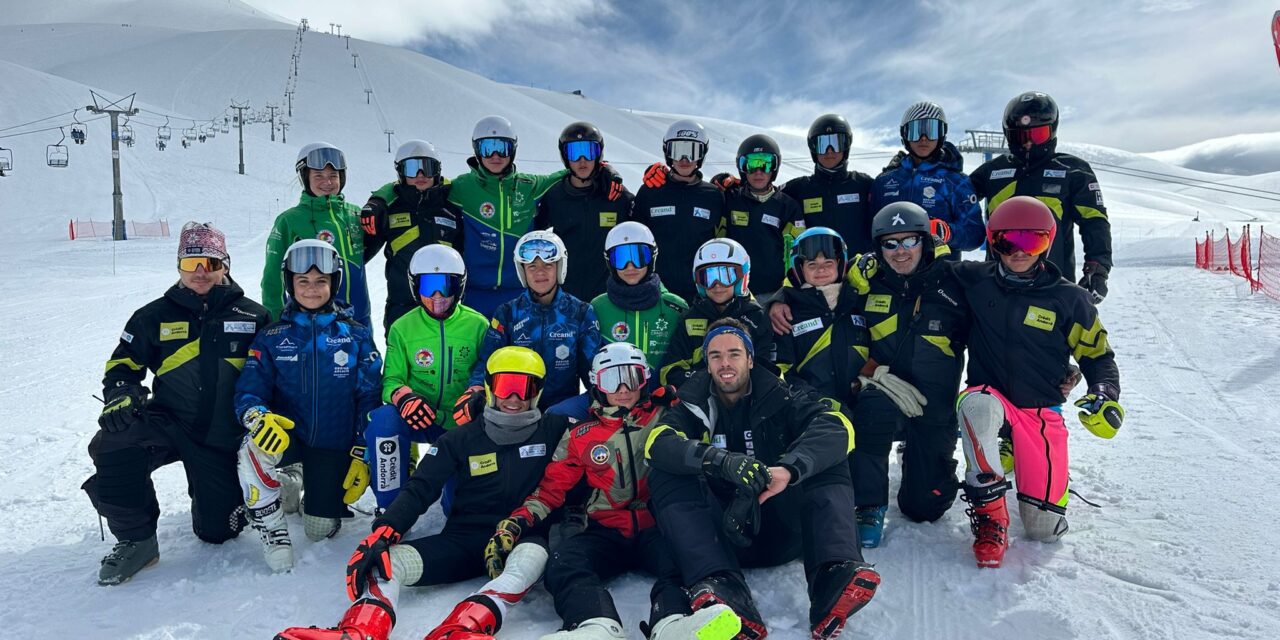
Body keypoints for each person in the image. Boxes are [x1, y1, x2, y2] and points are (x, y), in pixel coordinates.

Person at [275, 347, 571, 640]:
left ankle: (462, 630)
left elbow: (601, 441)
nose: (515, 399)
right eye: (506, 387)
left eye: (525, 387)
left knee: (530, 560)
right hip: (463, 540)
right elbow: (421, 486)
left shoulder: (555, 429)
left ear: (539, 391)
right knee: (384, 563)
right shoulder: (459, 438)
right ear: (490, 387)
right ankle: (359, 630)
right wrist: (385, 530)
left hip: (521, 538)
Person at [452, 343, 742, 640]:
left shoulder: (666, 417)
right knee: (565, 563)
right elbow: (552, 490)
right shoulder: (581, 435)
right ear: (596, 384)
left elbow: (704, 405)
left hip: (657, 525)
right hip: (606, 530)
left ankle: (672, 623)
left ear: (645, 379)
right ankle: (593, 623)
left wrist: (675, 395)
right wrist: (515, 523)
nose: (623, 388)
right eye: (610, 379)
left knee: (683, 561)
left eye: (632, 376)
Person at [644, 318, 880, 639]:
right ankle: (723, 588)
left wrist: (788, 469)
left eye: (734, 353)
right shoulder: (692, 401)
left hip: (781, 524)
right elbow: (657, 442)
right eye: (715, 355)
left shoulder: (784, 393)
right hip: (719, 538)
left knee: (826, 459)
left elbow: (837, 427)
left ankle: (832, 573)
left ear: (750, 358)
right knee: (665, 470)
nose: (725, 363)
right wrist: (719, 461)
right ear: (706, 362)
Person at [86, 222, 270, 585]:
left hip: (222, 438)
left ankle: (231, 494)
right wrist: (122, 392)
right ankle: (137, 541)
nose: (200, 272)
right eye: (190, 264)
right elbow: (123, 364)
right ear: (178, 266)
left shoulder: (253, 317)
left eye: (210, 263)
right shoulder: (152, 316)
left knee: (219, 532)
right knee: (114, 442)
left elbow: (275, 376)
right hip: (170, 423)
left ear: (225, 265)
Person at [949, 196, 1122, 568]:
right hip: (991, 397)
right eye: (1008, 243)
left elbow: (1098, 356)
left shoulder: (1070, 299)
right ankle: (991, 516)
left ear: (1048, 243)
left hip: (1039, 409)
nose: (1019, 253)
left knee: (1043, 530)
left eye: (1033, 242)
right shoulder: (975, 280)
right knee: (975, 405)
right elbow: (917, 269)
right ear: (993, 242)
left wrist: (1102, 392)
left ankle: (1031, 467)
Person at [233, 240, 383, 572]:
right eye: (303, 281)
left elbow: (369, 398)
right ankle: (273, 525)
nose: (312, 289)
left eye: (320, 281)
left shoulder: (355, 336)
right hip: (286, 438)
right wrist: (256, 416)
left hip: (332, 443)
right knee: (251, 447)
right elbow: (249, 390)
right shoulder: (272, 336)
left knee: (319, 531)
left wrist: (362, 449)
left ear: (334, 283)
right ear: (290, 284)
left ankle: (300, 483)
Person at [845, 204, 970, 547]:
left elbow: (1004, 315)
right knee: (871, 407)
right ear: (877, 247)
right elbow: (815, 292)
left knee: (924, 507)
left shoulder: (954, 283)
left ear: (924, 241)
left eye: (909, 241)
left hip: (934, 405)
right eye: (890, 243)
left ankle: (920, 455)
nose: (900, 252)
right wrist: (780, 300)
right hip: (883, 392)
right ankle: (868, 505)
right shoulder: (865, 284)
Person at [361, 245, 488, 509]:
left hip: (460, 423)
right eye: (428, 286)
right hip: (420, 417)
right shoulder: (403, 327)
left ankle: (456, 494)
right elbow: (391, 380)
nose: (438, 296)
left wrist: (476, 394)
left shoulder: (478, 325)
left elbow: (486, 372)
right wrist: (404, 397)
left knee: (456, 509)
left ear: (460, 286)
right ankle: (391, 505)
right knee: (384, 421)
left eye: (446, 285)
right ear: (414, 286)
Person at [969, 91, 1113, 300]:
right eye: (1019, 136)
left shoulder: (1073, 171)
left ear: (1052, 131)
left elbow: (1095, 221)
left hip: (1053, 286)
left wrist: (1097, 268)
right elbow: (955, 197)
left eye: (1037, 135)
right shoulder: (991, 171)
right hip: (996, 286)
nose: (1028, 143)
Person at [455, 230, 604, 422]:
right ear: (522, 271)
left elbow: (593, 372)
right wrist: (475, 390)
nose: (540, 272)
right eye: (532, 266)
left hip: (561, 411)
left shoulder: (581, 312)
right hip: (517, 406)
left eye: (548, 265)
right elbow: (487, 362)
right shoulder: (507, 313)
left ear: (560, 267)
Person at [448, 116, 573, 317]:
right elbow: (424, 185)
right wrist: (381, 199)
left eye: (503, 148)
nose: (495, 155)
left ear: (513, 150)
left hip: (519, 292)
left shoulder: (528, 185)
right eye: (488, 147)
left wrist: (607, 172)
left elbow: (572, 172)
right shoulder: (462, 187)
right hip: (475, 293)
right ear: (477, 151)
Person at [360, 139, 465, 333]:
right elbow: (361, 253)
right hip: (402, 304)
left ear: (437, 170)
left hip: (444, 302)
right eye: (411, 168)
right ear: (400, 172)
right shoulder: (390, 208)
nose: (420, 175)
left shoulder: (451, 206)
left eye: (427, 167)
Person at [263, 142, 372, 327]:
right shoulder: (289, 220)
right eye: (318, 176)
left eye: (333, 176)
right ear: (305, 178)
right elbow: (273, 278)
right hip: (310, 324)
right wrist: (276, 321)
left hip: (358, 320)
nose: (327, 182)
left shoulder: (354, 215)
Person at [869, 102, 985, 256]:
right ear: (904, 134)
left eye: (931, 131)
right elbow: (869, 231)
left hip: (940, 273)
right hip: (892, 271)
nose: (923, 138)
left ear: (942, 134)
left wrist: (947, 232)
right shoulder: (884, 182)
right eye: (915, 131)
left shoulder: (955, 181)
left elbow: (975, 234)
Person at [631, 119, 728, 303]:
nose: (685, 159)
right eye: (678, 151)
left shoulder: (714, 195)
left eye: (693, 152)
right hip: (656, 292)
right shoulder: (650, 191)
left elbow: (722, 241)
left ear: (702, 154)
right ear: (667, 153)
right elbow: (635, 241)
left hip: (701, 293)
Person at [535, 121, 632, 303]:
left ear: (599, 155)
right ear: (565, 157)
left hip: (607, 298)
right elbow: (534, 234)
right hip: (566, 296)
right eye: (574, 152)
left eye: (589, 151)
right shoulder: (554, 195)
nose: (582, 160)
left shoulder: (615, 194)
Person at [659, 238, 776, 387]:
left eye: (726, 275)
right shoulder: (690, 318)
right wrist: (707, 381)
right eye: (707, 278)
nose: (717, 284)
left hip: (745, 401)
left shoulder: (756, 317)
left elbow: (764, 370)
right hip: (699, 401)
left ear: (742, 276)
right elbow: (670, 371)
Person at [717, 134, 805, 296]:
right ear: (742, 167)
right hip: (734, 292)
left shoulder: (787, 206)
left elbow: (797, 254)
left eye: (765, 164)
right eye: (751, 164)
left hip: (773, 293)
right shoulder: (730, 199)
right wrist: (717, 182)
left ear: (775, 167)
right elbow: (715, 240)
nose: (758, 172)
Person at [781, 114, 877, 255]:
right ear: (813, 148)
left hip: (859, 271)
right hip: (819, 272)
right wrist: (737, 184)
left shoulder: (863, 184)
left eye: (836, 143)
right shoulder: (799, 188)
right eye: (822, 144)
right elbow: (764, 193)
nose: (830, 150)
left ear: (846, 146)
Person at [591, 221, 687, 362]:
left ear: (652, 258)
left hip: (664, 384)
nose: (630, 266)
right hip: (615, 384)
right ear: (610, 262)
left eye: (639, 257)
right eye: (621, 258)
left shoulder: (675, 307)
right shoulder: (598, 307)